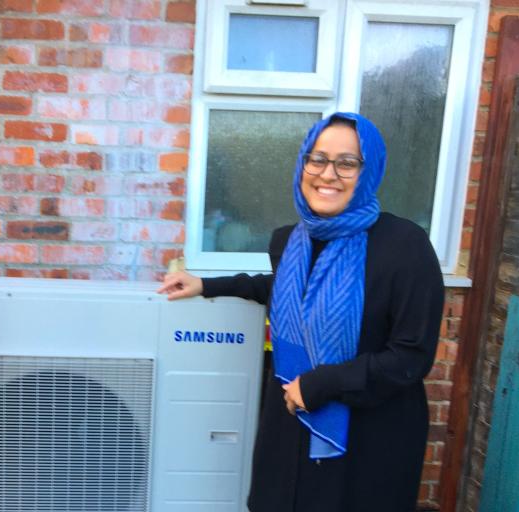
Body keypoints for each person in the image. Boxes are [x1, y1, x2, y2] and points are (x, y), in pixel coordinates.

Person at [158, 112, 444, 512]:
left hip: (369, 436)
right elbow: (288, 293)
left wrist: (321, 383)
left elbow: (412, 355)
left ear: (369, 170)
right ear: (303, 164)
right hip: (290, 418)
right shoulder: (291, 240)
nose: (328, 174)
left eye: (347, 162)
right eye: (318, 159)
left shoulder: (404, 246)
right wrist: (208, 285)